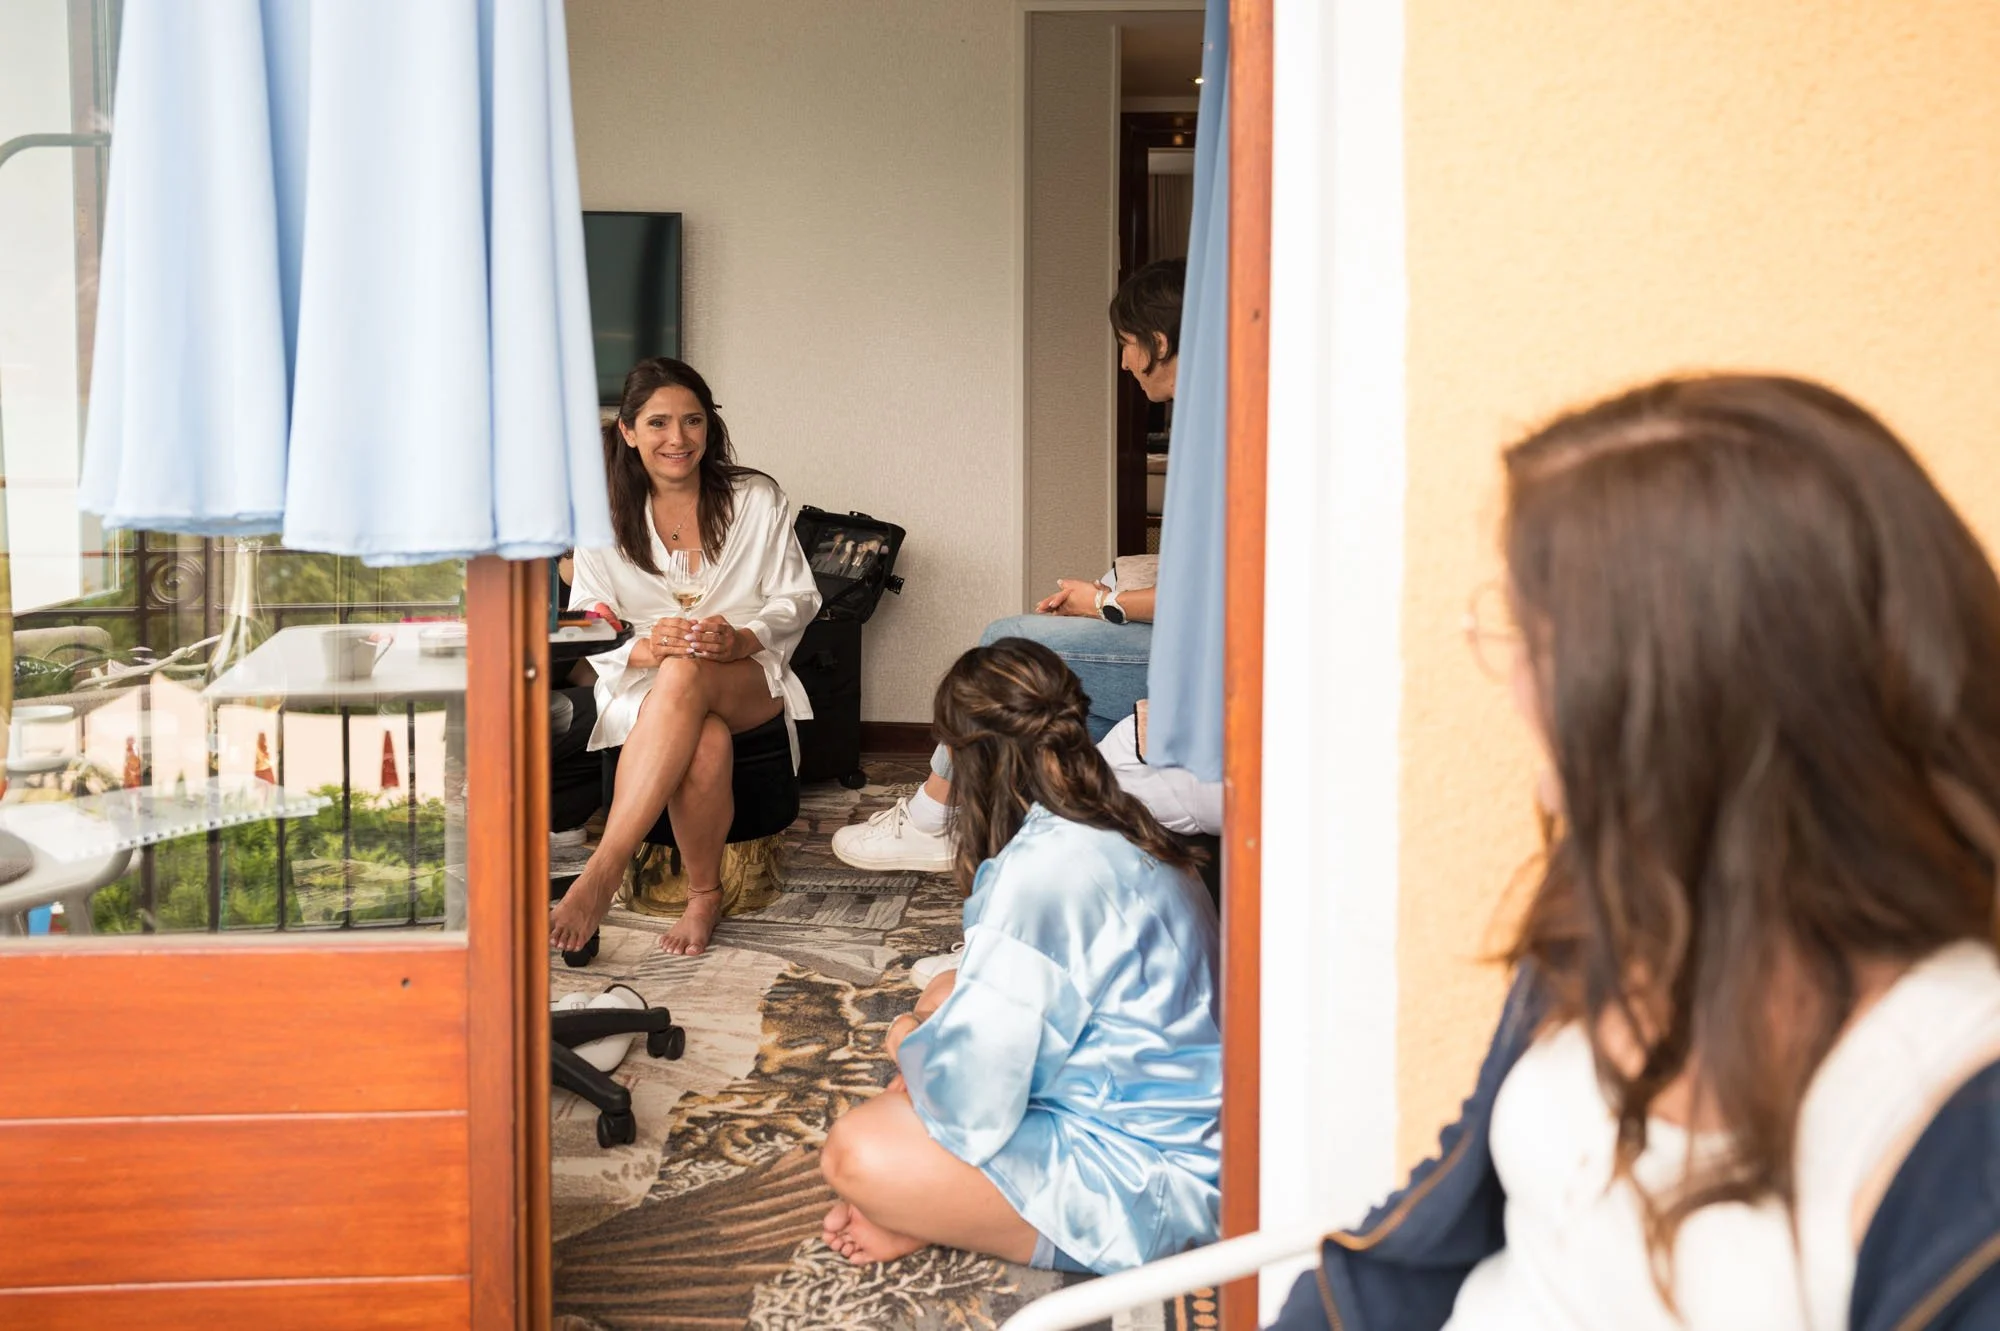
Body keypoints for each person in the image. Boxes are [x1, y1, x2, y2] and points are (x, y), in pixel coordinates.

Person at [1271, 375, 2000, 1330]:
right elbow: (1418, 1246)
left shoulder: (1954, 1114)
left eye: (1535, 638)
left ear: (1692, 699)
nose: (1513, 677)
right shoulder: (1614, 897)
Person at [819, 639, 1221, 1274]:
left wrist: (905, 1044)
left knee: (857, 1150)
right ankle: (943, 1205)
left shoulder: (1038, 875)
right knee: (945, 991)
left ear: (969, 761)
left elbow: (969, 1104)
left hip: (1160, 1184)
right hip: (1182, 1114)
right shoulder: (1119, 817)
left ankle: (937, 1213)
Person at [833, 256, 1187, 873]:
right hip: (1203, 636)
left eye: (1128, 345)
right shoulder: (1219, 424)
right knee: (1018, 664)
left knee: (1009, 646)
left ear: (1159, 342)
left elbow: (1224, 597)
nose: (1126, 362)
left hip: (1217, 660)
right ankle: (964, 824)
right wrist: (1121, 587)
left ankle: (936, 818)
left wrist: (1109, 606)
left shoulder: (1228, 436)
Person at [547, 357, 820, 957]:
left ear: (709, 428)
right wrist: (644, 646)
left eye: (693, 422)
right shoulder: (603, 515)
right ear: (628, 430)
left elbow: (799, 597)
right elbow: (588, 619)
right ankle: (704, 895)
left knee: (689, 670)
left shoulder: (755, 498)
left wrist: (744, 638)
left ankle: (604, 867)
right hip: (649, 672)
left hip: (747, 670)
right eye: (659, 423)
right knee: (705, 739)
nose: (678, 439)